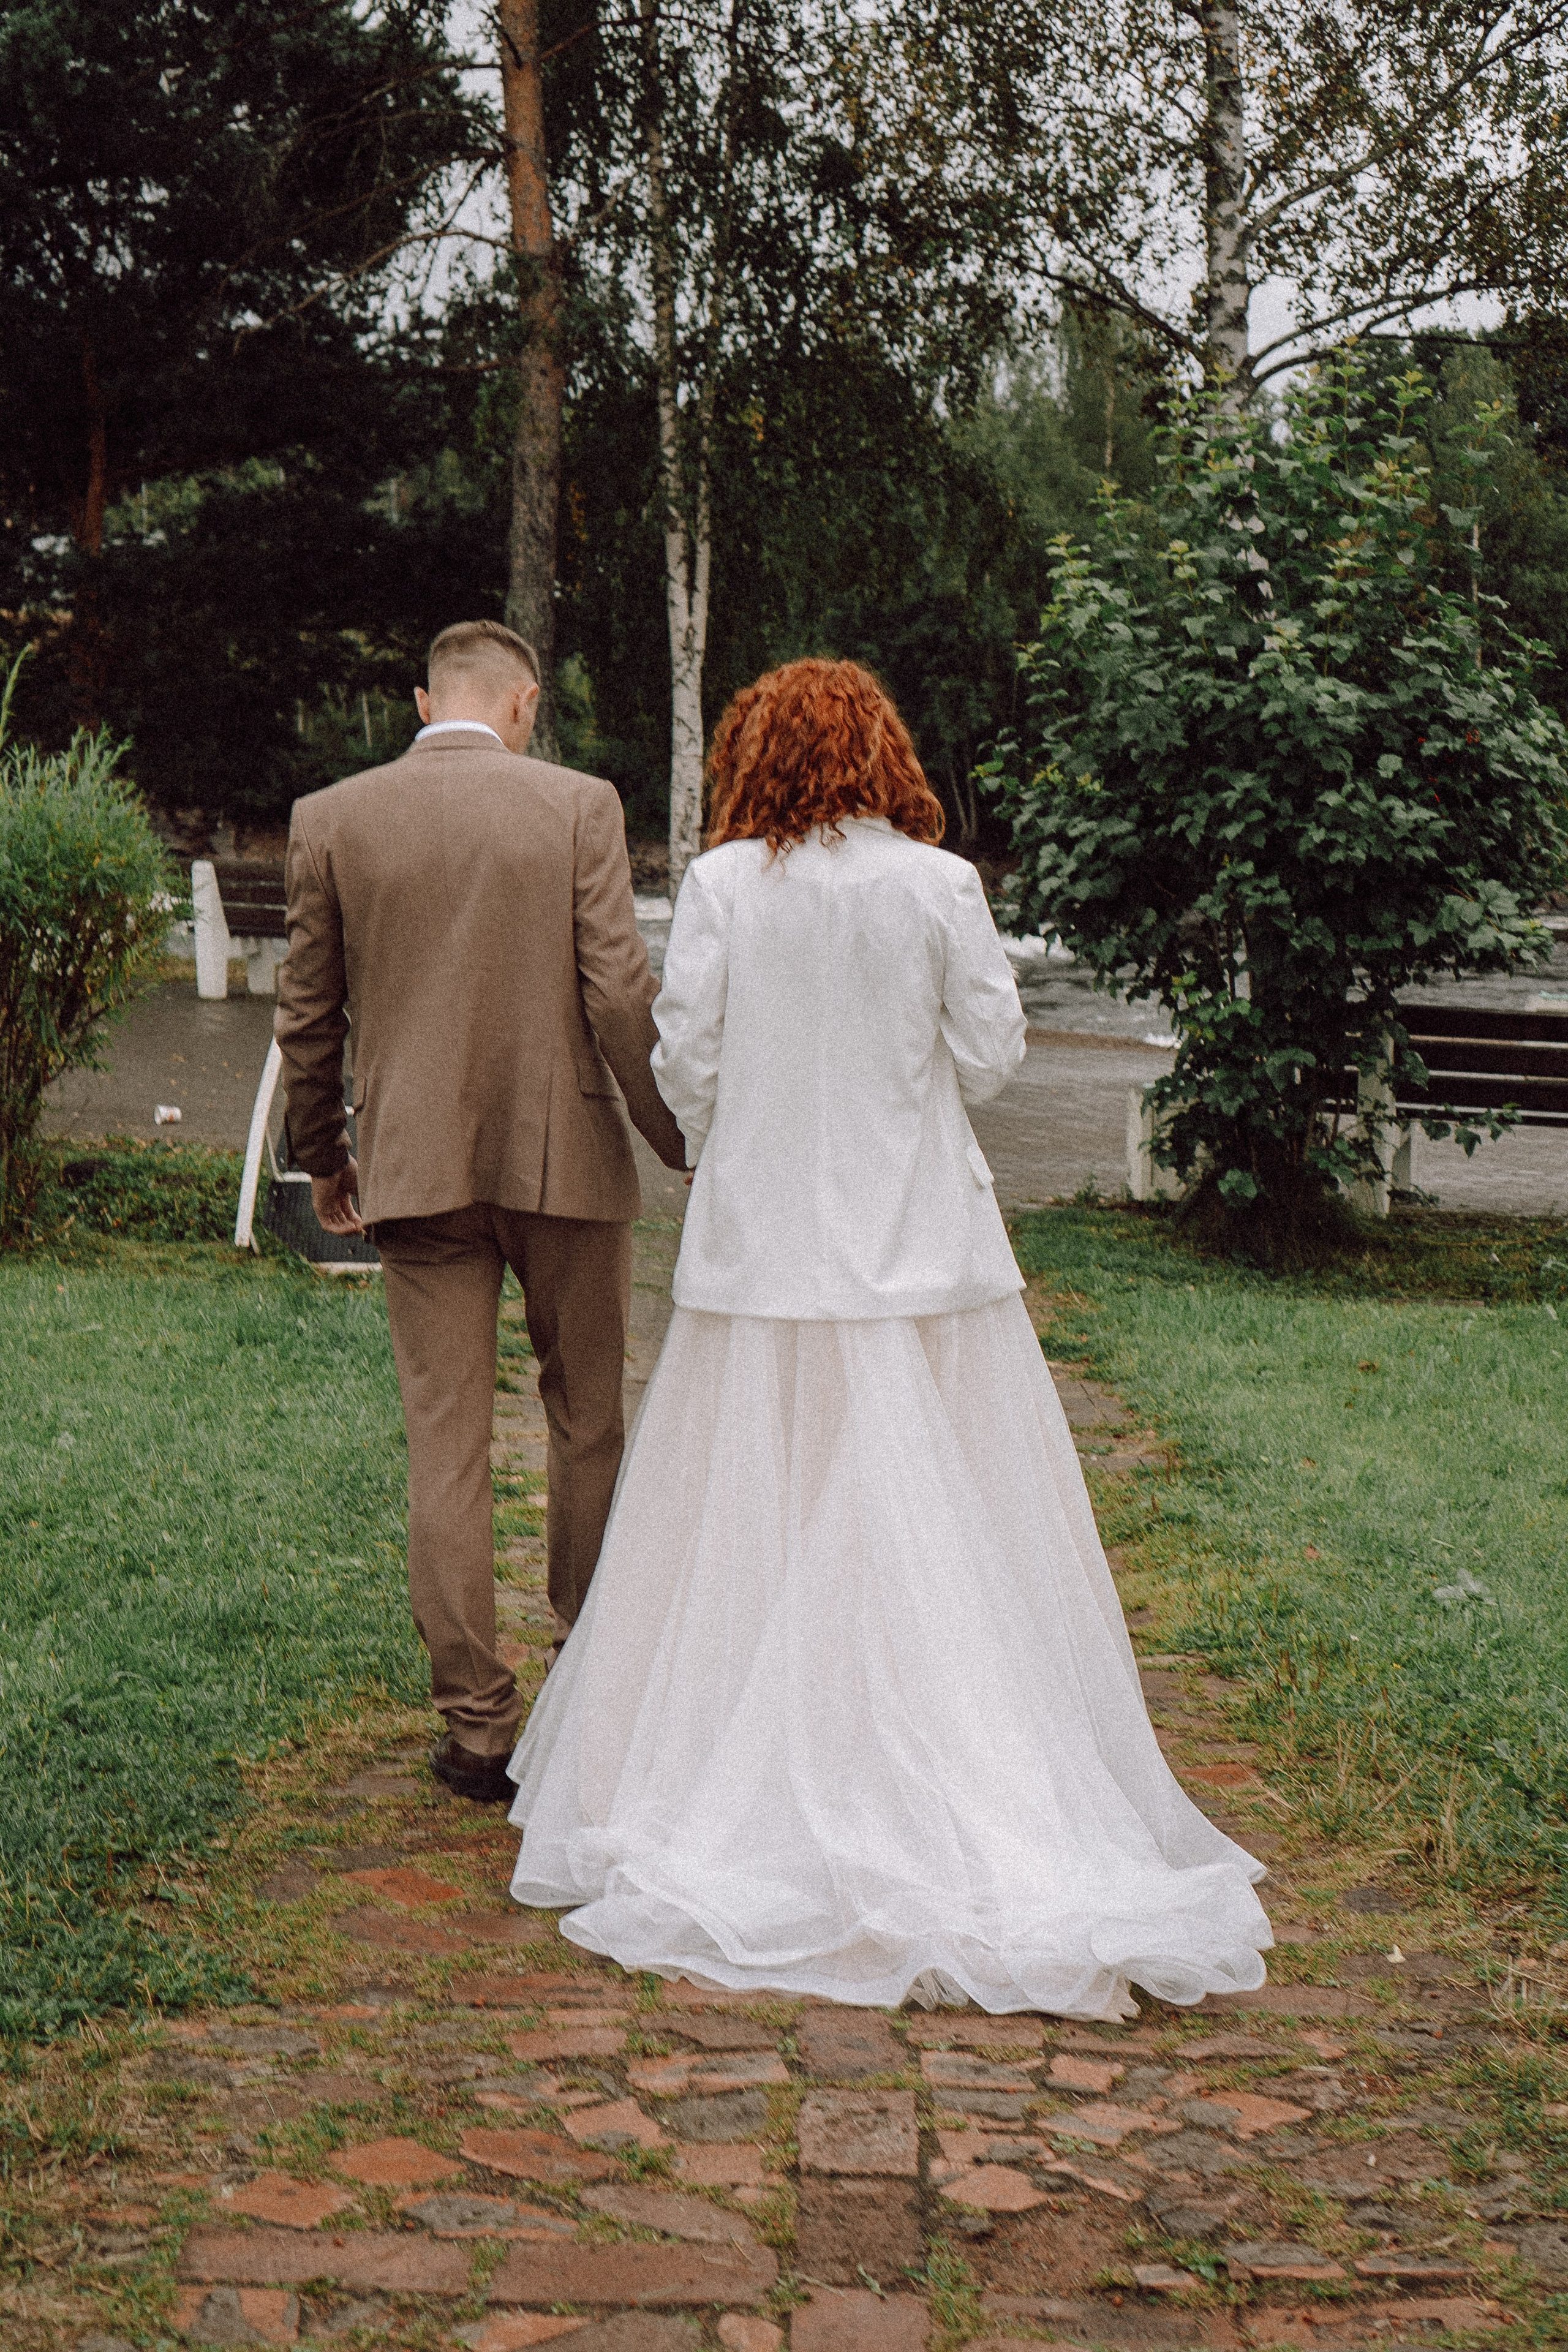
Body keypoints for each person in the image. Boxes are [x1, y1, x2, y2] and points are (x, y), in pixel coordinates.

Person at [506, 657, 1273, 2018]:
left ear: (751, 757)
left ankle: (727, 1767)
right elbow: (989, 1058)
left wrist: (744, 1110)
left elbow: (687, 1060)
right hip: (917, 1242)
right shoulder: (940, 885)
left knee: (746, 1500)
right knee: (936, 1505)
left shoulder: (728, 886)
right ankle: (939, 1758)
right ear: (882, 753)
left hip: (763, 1243)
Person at [275, 619, 687, 1805]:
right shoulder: (578, 805)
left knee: (445, 1440)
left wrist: (323, 1158)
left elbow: (309, 1018)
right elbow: (616, 993)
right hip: (566, 1162)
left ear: (422, 701)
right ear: (521, 703)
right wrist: (673, 1138)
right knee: (586, 1420)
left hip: (412, 1166)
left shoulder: (334, 818)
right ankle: (592, 1692)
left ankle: (478, 1730)